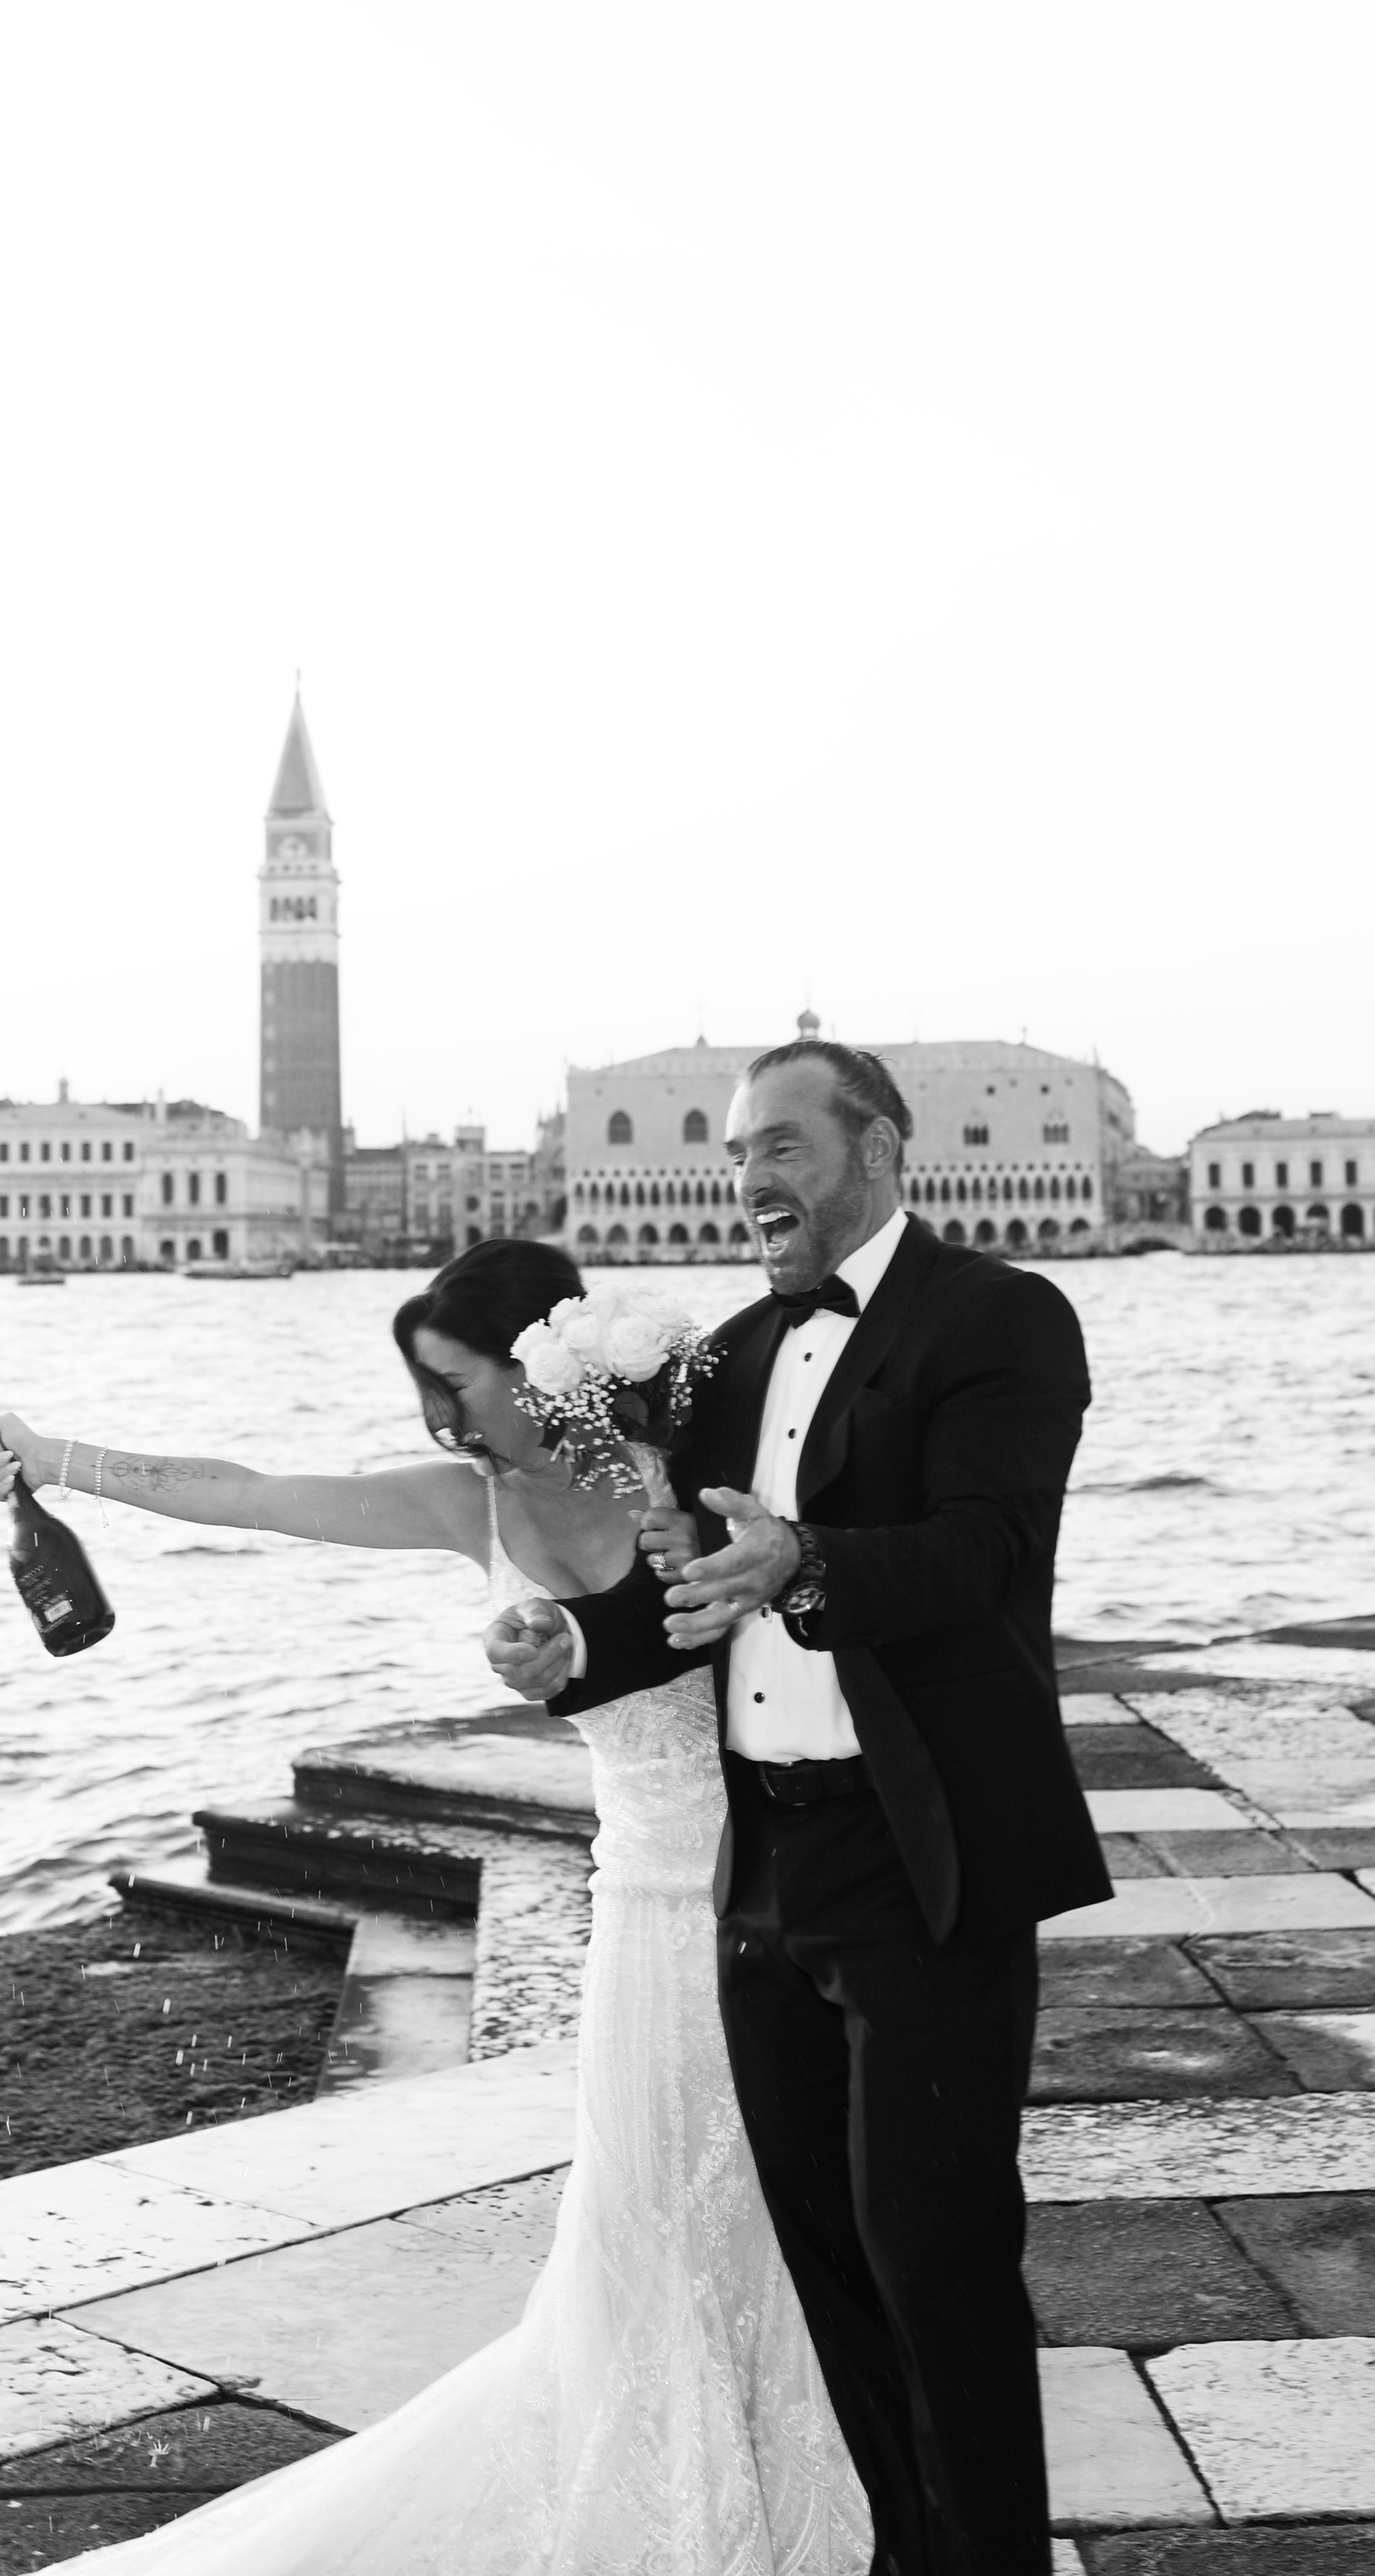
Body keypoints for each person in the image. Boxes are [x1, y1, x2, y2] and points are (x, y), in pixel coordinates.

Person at [0, 1236, 870, 2576]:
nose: (436, 1419)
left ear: (541, 1365)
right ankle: (676, 2486)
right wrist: (55, 1461)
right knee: (654, 2197)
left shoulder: (688, 1466)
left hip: (790, 1881)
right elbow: (256, 1493)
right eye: (422, 1392)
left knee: (785, 2187)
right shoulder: (469, 1508)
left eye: (453, 1384)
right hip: (645, 1897)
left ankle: (814, 2440)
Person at [488, 1040, 1111, 2576]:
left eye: (781, 1145)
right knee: (824, 2261)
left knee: (934, 2263)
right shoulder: (730, 1359)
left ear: (879, 1149)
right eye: (735, 1152)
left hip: (924, 1853)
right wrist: (571, 1647)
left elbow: (981, 1550)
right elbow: (692, 1588)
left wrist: (807, 1561)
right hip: (757, 1862)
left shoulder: (1000, 1318)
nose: (748, 1179)